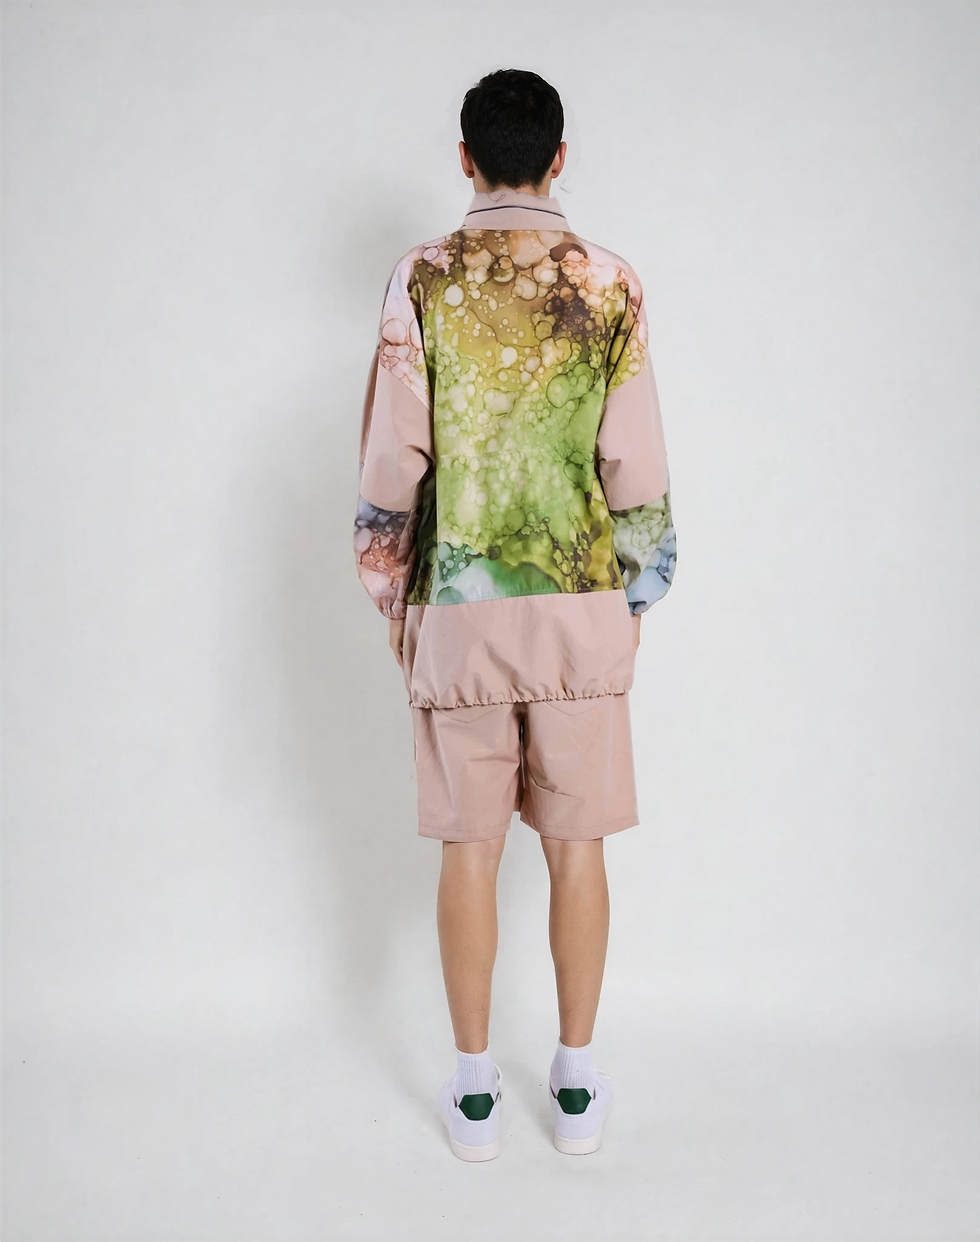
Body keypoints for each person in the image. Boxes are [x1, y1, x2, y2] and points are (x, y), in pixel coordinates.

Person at [354, 69, 676, 1161]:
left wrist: (393, 591)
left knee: (469, 849)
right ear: (559, 157)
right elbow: (634, 462)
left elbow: (395, 457)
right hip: (580, 608)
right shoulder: (611, 283)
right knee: (577, 850)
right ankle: (576, 1087)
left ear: (464, 158)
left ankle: (474, 1094)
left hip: (460, 609)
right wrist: (635, 593)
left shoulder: (421, 278)